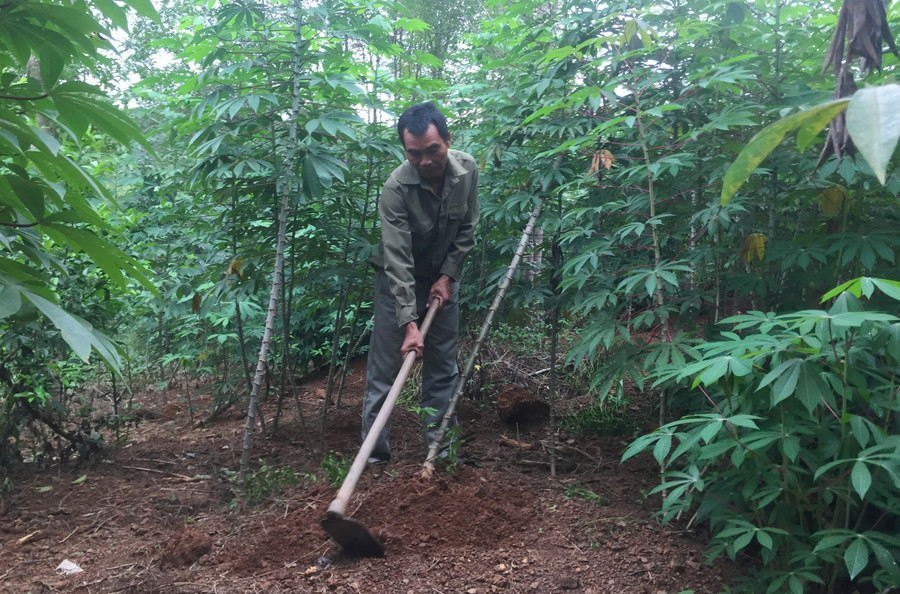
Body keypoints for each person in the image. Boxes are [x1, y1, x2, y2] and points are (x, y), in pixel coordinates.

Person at [362, 102, 480, 464]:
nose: (425, 161)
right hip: (398, 282)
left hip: (444, 277)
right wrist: (409, 323)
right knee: (385, 372)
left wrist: (447, 277)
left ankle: (441, 453)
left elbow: (467, 229)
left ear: (447, 139)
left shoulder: (468, 170)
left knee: (443, 368)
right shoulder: (395, 188)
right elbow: (397, 258)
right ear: (405, 151)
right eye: (414, 154)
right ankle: (375, 459)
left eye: (433, 150)